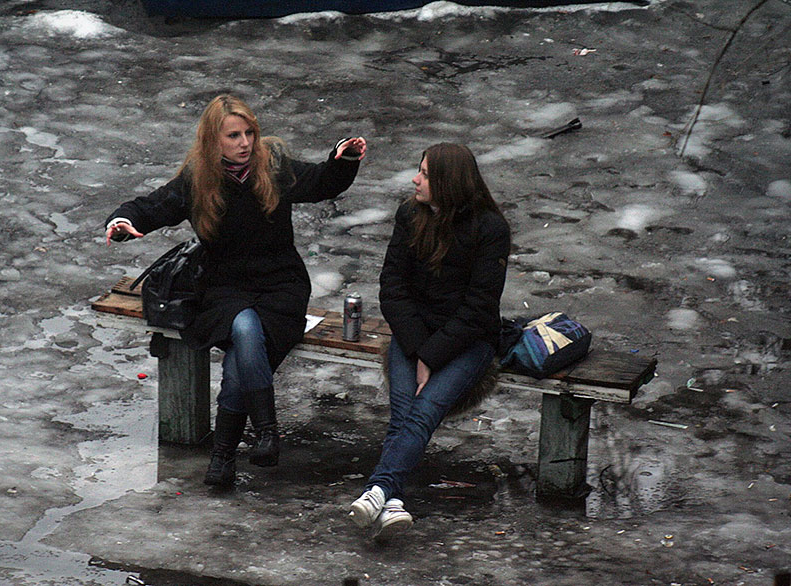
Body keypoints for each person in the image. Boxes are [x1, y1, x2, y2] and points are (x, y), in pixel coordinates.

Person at [105, 94, 366, 486]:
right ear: (214, 141)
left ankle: (224, 457)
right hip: (225, 287)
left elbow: (320, 182)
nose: (245, 143)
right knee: (245, 331)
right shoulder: (197, 178)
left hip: (280, 284)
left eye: (249, 133)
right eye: (233, 135)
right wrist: (123, 221)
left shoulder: (273, 165)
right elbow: (152, 206)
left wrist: (342, 159)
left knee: (242, 349)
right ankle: (263, 433)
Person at [348, 143, 510, 540]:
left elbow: (479, 306)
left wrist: (434, 355)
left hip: (469, 342)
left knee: (423, 413)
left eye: (424, 174)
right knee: (404, 417)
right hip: (412, 335)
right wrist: (421, 349)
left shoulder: (491, 229)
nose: (415, 179)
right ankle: (393, 501)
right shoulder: (409, 215)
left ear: (448, 183)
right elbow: (392, 287)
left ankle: (379, 489)